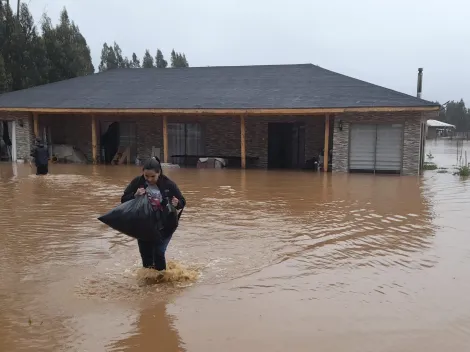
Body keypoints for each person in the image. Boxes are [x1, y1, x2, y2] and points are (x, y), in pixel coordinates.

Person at [121, 157, 186, 271]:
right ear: (143, 173)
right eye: (146, 176)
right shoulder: (137, 182)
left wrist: (177, 203)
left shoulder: (169, 184)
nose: (149, 179)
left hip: (165, 226)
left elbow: (182, 202)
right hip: (143, 225)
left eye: (153, 176)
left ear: (159, 173)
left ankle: (162, 282)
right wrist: (134, 195)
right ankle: (149, 283)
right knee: (146, 256)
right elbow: (123, 200)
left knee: (159, 253)